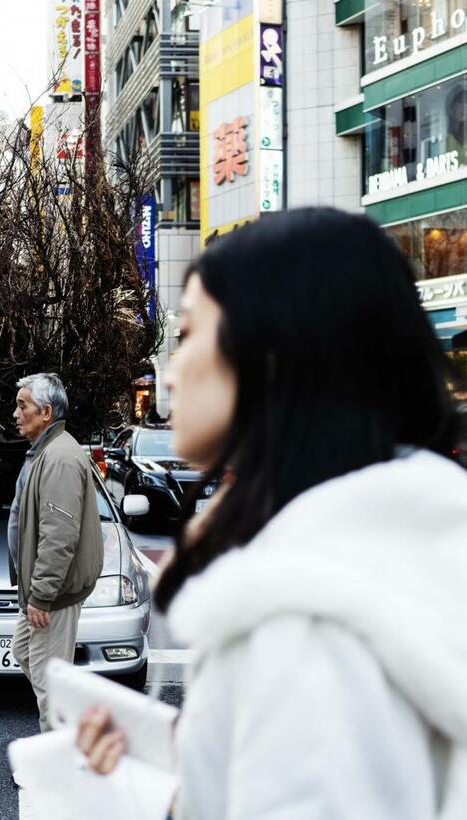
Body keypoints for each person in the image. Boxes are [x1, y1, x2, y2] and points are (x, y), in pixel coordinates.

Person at [77, 208, 467, 818]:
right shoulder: (405, 554)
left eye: (187, 336)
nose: (172, 375)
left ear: (270, 355)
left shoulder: (304, 619)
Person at [9, 373, 104, 733]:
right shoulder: (46, 452)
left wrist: (43, 595)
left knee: (49, 680)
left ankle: (57, 763)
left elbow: (59, 534)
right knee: (25, 651)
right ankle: (70, 716)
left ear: (46, 412)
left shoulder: (60, 458)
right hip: (43, 590)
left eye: (23, 406)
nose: (16, 414)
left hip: (54, 593)